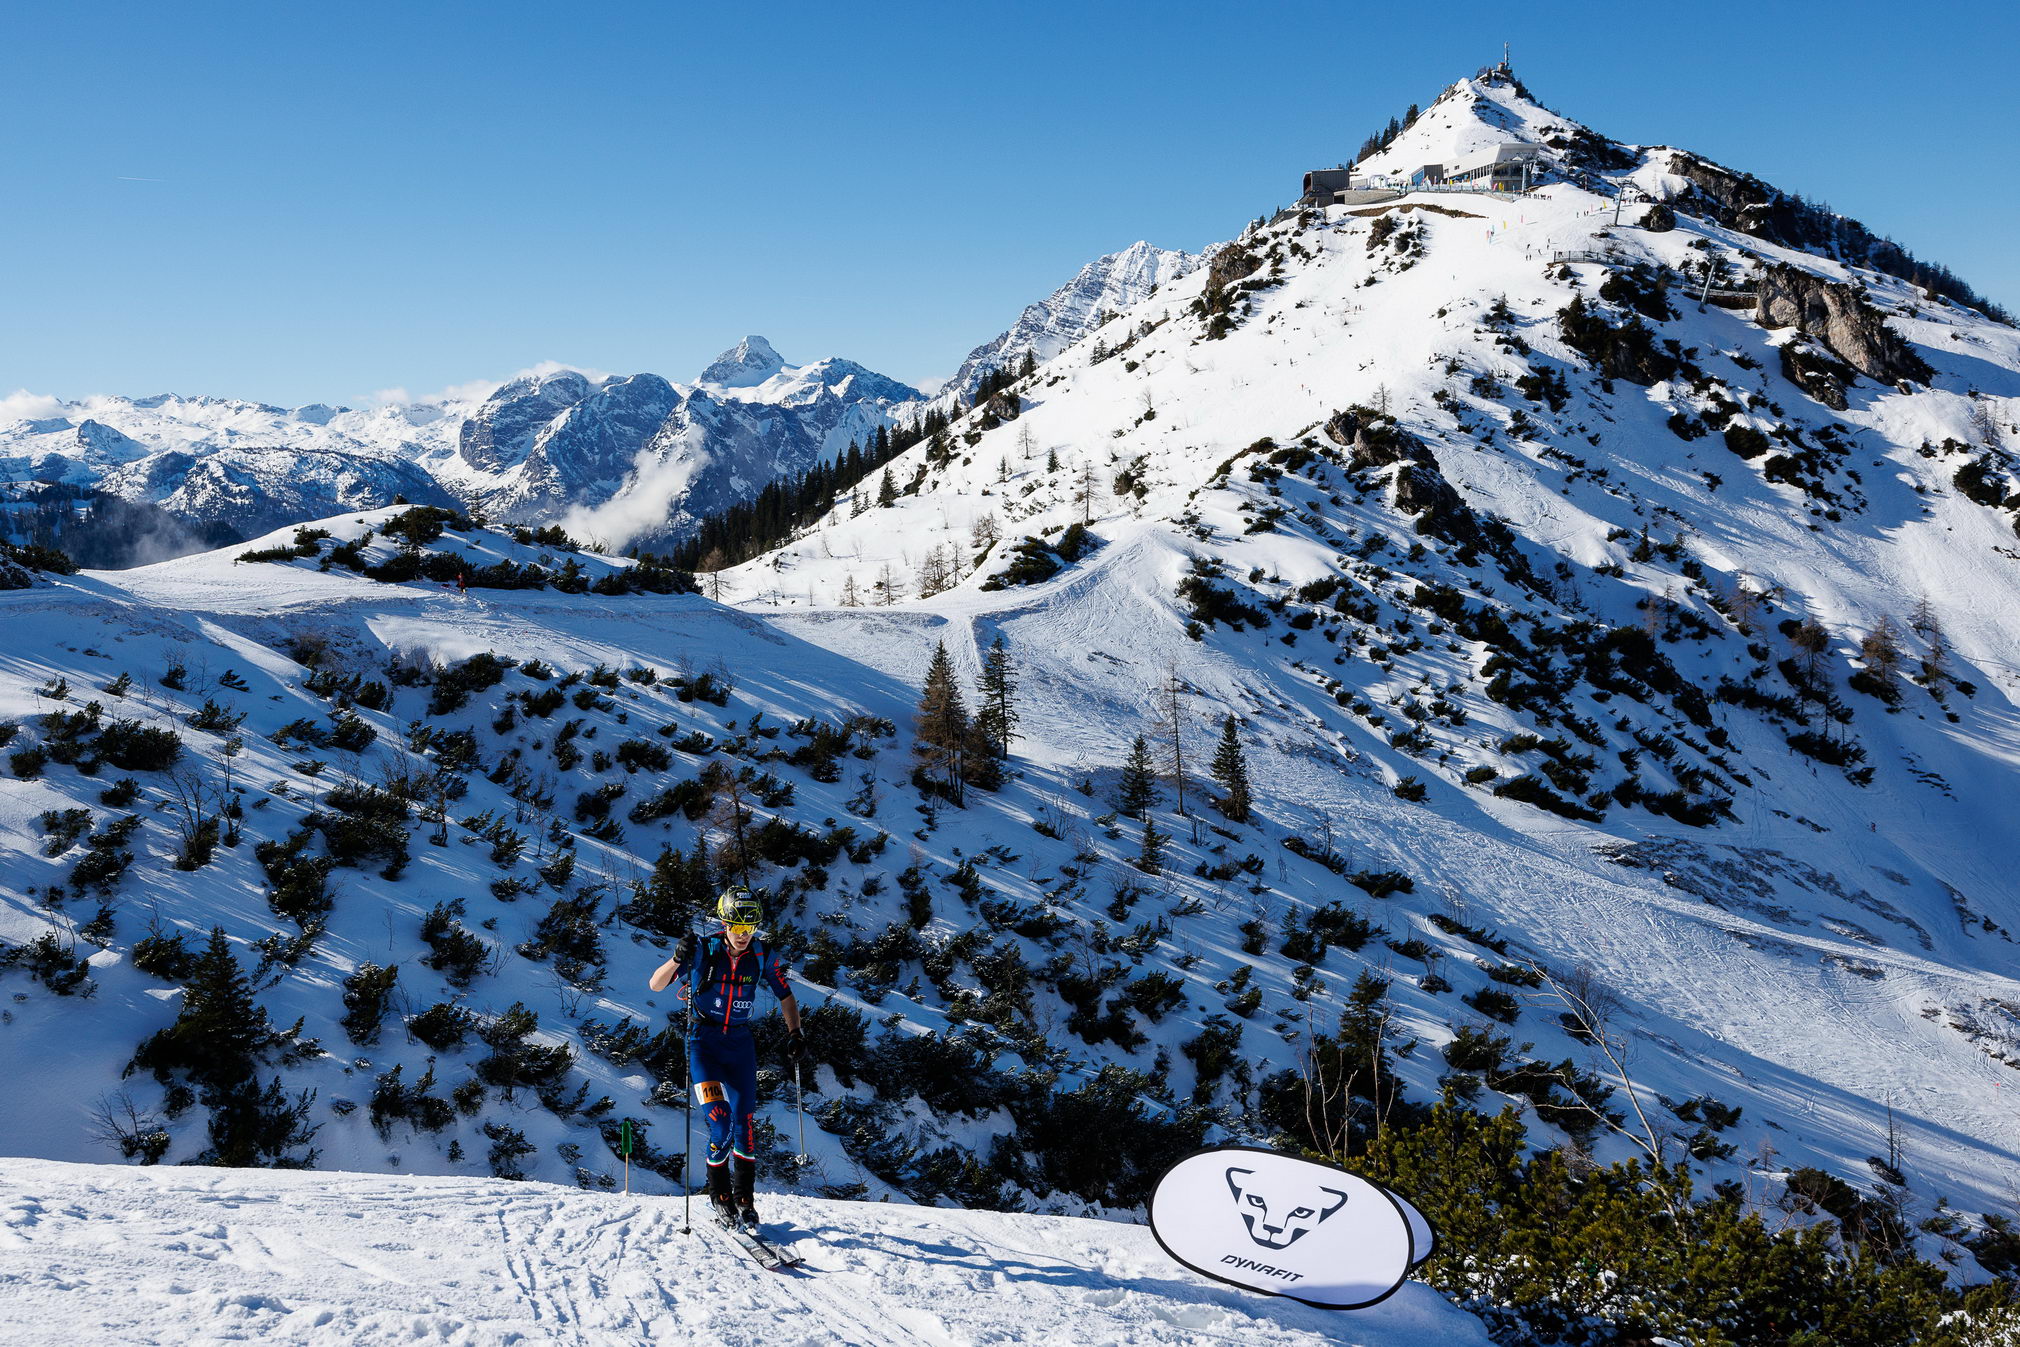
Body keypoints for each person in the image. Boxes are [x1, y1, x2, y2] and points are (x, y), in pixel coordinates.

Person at [648, 886, 805, 1232]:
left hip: (739, 1046)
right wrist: (676, 958)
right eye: (736, 927)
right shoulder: (705, 950)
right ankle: (719, 1194)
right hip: (703, 1044)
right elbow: (655, 985)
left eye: (750, 929)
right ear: (724, 922)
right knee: (720, 1123)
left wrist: (795, 1034)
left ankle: (745, 1199)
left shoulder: (762, 956)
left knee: (745, 1125)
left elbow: (786, 996)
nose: (743, 935)